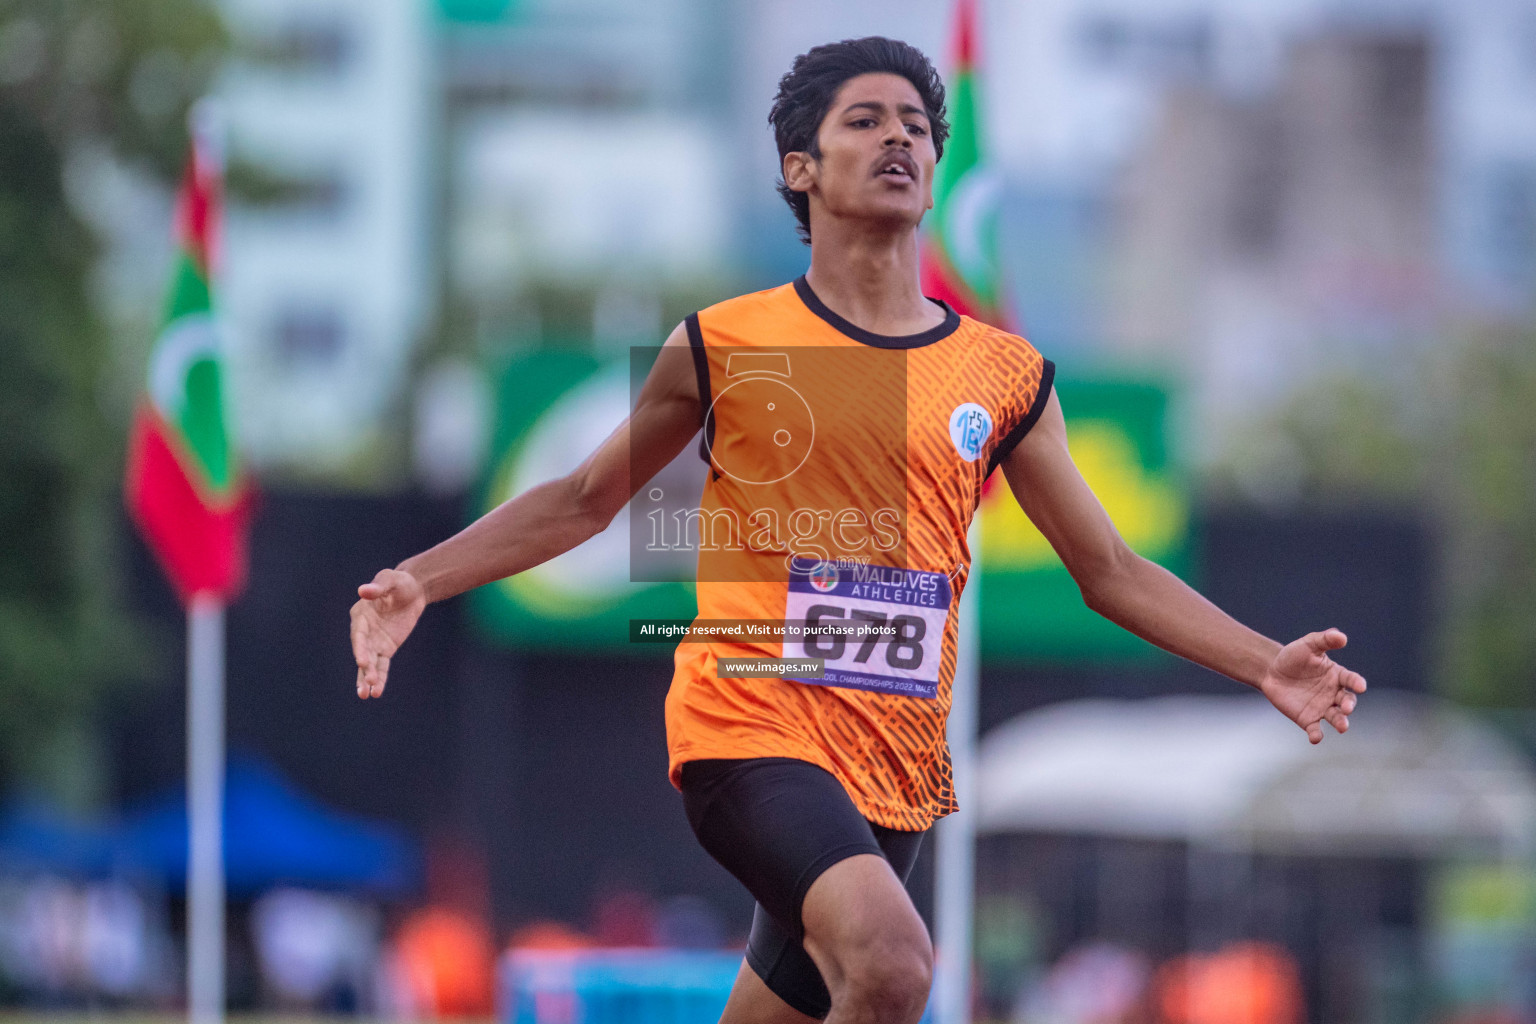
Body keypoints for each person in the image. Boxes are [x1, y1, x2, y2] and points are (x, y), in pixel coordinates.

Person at [349, 37, 1367, 1024]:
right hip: (746, 727)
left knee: (827, 995)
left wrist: (1263, 662)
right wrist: (419, 580)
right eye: (866, 120)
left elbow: (1106, 569)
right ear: (801, 166)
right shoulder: (726, 342)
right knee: (891, 962)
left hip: (897, 767)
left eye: (918, 126)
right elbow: (582, 499)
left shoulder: (1006, 375)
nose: (901, 140)